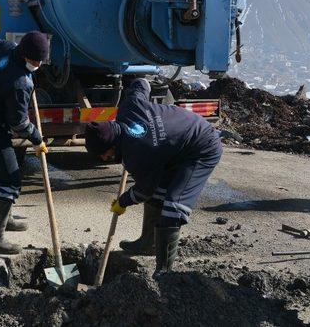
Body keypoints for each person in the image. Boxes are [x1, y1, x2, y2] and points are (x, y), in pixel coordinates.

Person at [84, 78, 222, 276]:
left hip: (202, 148)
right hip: (175, 148)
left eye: (102, 155)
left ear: (111, 147)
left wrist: (122, 202)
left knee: (174, 206)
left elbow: (143, 190)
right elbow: (142, 85)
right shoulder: (128, 107)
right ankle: (147, 243)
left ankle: (164, 272)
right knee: (159, 192)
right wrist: (139, 80)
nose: (103, 159)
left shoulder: (137, 154)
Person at [0, 31, 50, 254]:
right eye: (36, 61)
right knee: (11, 180)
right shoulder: (20, 83)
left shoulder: (6, 48)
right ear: (25, 55)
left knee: (7, 172)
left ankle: (6, 218)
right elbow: (19, 122)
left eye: (41, 61)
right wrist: (38, 139)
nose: (38, 65)